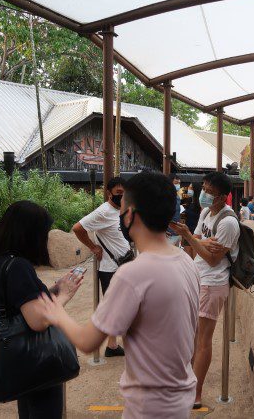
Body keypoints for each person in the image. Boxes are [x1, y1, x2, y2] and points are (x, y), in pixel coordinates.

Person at [38, 172, 201, 417]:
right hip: (180, 396)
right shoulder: (187, 262)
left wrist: (56, 311)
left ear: (131, 214)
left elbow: (87, 341)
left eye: (123, 208)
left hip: (149, 406)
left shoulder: (133, 275)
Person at [0, 201, 83, 419]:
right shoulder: (19, 266)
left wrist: (52, 290)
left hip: (18, 353)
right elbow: (37, 320)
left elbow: (19, 303)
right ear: (30, 233)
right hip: (38, 356)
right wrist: (65, 295)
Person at [168, 171, 240, 409]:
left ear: (223, 197)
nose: (204, 195)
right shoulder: (206, 213)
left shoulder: (229, 222)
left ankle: (196, 393)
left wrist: (192, 237)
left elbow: (211, 258)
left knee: (203, 340)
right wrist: (199, 240)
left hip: (213, 282)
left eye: (210, 192)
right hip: (198, 278)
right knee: (191, 336)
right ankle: (187, 383)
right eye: (205, 189)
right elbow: (198, 241)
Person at [72, 176, 129, 357]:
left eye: (124, 193)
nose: (122, 196)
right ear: (109, 193)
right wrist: (92, 246)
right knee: (116, 308)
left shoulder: (122, 210)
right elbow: (78, 228)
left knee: (123, 307)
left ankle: (113, 345)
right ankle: (112, 345)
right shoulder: (103, 211)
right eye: (119, 193)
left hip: (125, 264)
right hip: (111, 268)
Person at [183, 183, 202, 259]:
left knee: (195, 259)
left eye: (191, 188)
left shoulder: (200, 204)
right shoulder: (189, 201)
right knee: (187, 258)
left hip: (196, 233)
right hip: (188, 232)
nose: (189, 190)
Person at [167, 173, 183, 246]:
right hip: (168, 233)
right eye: (176, 183)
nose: (178, 185)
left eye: (179, 183)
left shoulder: (177, 196)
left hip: (176, 232)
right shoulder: (165, 196)